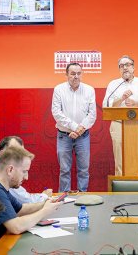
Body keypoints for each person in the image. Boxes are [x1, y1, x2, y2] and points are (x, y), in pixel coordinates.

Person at [0, 146, 61, 254]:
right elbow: (15, 226)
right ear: (10, 170)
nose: (26, 177)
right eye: (24, 171)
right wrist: (45, 211)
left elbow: (21, 209)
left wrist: (44, 204)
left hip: (5, 244)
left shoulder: (0, 187)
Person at [102, 55, 138, 176]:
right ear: (119, 69)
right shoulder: (114, 84)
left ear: (133, 67)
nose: (125, 68)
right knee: (119, 161)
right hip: (118, 124)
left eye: (128, 65)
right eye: (121, 66)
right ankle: (119, 191)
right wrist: (121, 98)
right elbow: (106, 106)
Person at [52, 62, 96, 192]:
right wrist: (75, 127)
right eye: (72, 74)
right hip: (64, 135)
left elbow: (92, 114)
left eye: (78, 73)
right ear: (66, 75)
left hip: (83, 136)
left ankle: (83, 197)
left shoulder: (89, 90)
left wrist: (79, 130)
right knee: (64, 170)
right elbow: (56, 113)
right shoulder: (58, 89)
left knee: (83, 170)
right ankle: (64, 198)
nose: (76, 76)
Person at [0, 136, 52, 203]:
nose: (20, 156)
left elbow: (19, 206)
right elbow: (24, 200)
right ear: (2, 154)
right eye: (15, 151)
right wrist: (44, 196)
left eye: (21, 152)